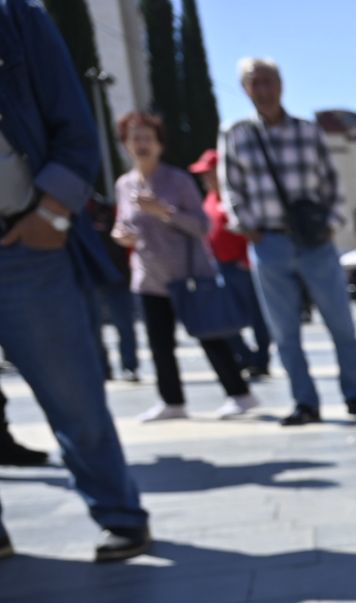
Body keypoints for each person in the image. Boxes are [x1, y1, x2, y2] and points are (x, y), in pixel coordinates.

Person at [0, 0, 150, 561]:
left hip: (24, 242)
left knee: (73, 396)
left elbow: (74, 127)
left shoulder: (17, 19)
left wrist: (53, 214)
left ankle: (119, 514)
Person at [219, 57, 356, 426]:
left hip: (315, 241)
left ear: (281, 85)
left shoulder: (307, 131)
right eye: (254, 82)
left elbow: (334, 183)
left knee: (342, 325)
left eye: (269, 81)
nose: (263, 89)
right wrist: (248, 227)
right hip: (269, 242)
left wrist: (331, 224)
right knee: (284, 332)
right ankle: (305, 402)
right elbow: (230, 187)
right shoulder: (236, 134)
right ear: (245, 89)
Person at [113, 112, 260, 422]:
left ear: (159, 145)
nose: (140, 144)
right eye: (133, 138)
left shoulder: (177, 180)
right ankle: (172, 401)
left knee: (211, 336)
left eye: (146, 138)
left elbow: (202, 226)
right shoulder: (124, 185)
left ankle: (240, 394)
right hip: (149, 278)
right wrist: (121, 236)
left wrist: (164, 212)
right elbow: (122, 225)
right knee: (159, 345)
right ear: (125, 144)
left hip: (188, 275)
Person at [189, 148, 272, 380]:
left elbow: (251, 228)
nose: (205, 178)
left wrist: (248, 260)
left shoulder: (235, 196)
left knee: (257, 317)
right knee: (222, 316)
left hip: (242, 267)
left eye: (209, 172)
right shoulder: (209, 199)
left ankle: (261, 360)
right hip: (219, 266)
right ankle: (244, 356)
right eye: (203, 174)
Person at [87, 194, 142, 381]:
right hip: (89, 279)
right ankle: (102, 369)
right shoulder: (68, 211)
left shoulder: (107, 209)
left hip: (117, 276)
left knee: (124, 324)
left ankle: (130, 366)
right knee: (92, 328)